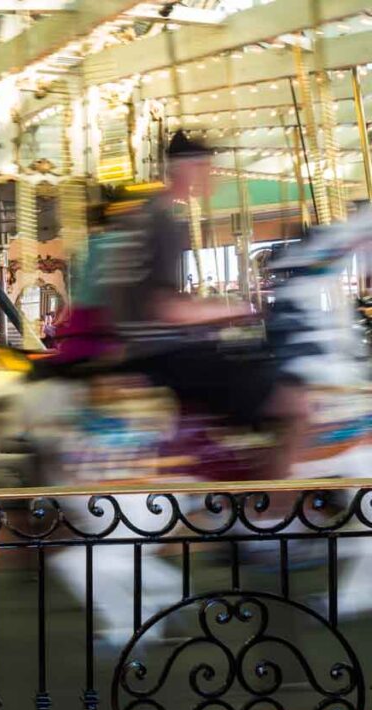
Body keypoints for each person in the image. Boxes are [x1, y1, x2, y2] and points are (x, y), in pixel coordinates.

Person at [94, 130, 309, 479]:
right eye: (208, 167)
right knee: (294, 405)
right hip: (165, 357)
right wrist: (241, 309)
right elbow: (166, 309)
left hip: (136, 351)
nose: (212, 175)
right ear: (189, 168)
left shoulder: (136, 216)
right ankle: (270, 510)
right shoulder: (162, 220)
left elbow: (136, 299)